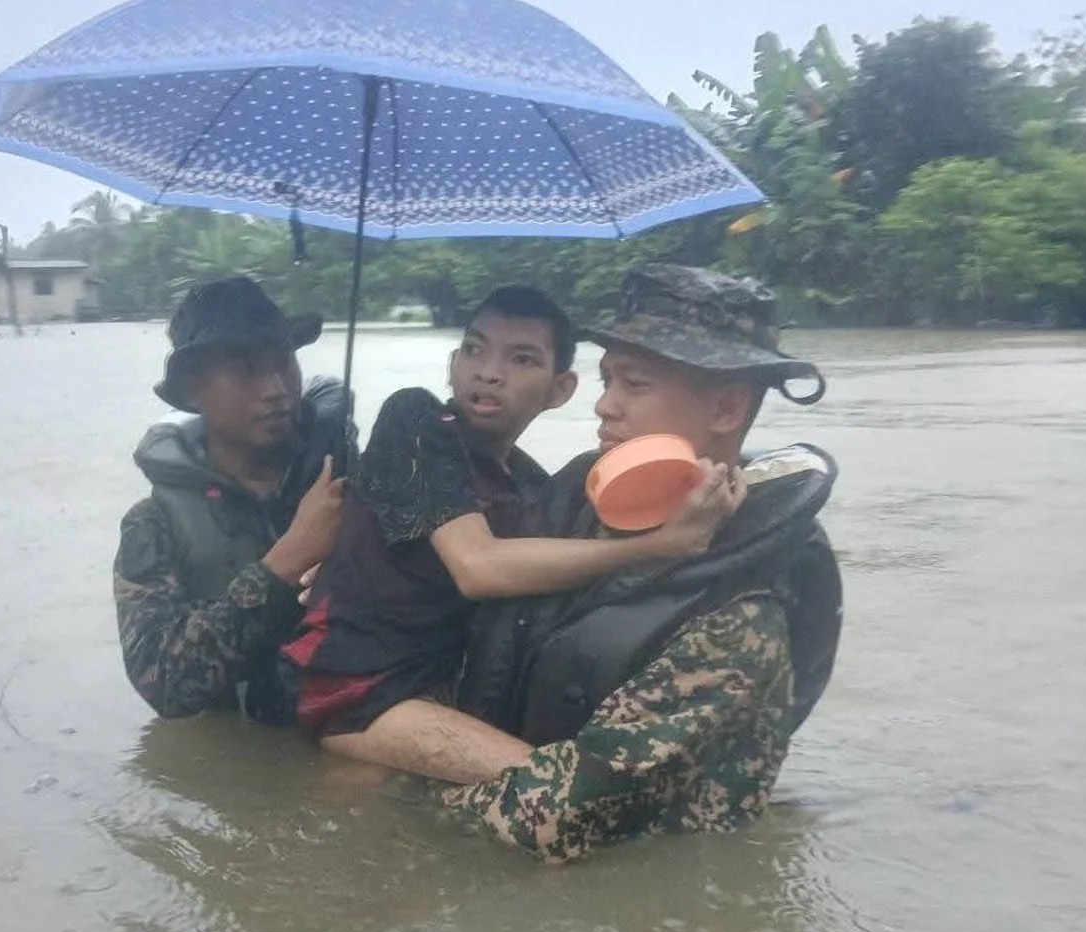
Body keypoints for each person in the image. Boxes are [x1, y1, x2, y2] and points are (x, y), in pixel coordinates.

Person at [442, 263, 845, 863]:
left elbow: (558, 820)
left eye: (633, 385)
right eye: (606, 379)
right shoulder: (578, 503)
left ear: (727, 408)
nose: (604, 406)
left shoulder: (741, 616)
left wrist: (399, 773)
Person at [278, 285, 744, 783]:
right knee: (554, 789)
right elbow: (478, 567)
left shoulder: (532, 487)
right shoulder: (415, 421)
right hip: (356, 690)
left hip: (448, 690)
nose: (489, 372)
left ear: (561, 390)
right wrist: (659, 546)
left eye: (521, 359)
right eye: (474, 350)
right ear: (453, 363)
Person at [114, 277, 355, 725]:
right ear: (192, 389)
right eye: (246, 369)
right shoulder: (155, 524)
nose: (276, 388)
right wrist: (287, 562)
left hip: (355, 724)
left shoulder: (343, 477)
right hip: (247, 738)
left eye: (284, 361)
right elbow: (163, 684)